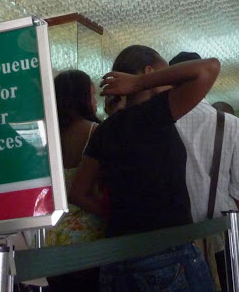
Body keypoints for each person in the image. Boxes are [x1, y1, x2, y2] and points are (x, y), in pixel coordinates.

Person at [70, 45, 220, 292]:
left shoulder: (106, 129)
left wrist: (120, 214)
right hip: (166, 254)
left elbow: (78, 192)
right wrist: (141, 82)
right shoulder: (155, 113)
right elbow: (209, 67)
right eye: (166, 72)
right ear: (149, 71)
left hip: (117, 256)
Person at [172, 52, 239, 292]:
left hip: (173, 240)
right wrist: (218, 218)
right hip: (227, 237)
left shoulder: (160, 122)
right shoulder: (230, 123)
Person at [45, 70, 105, 292]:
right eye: (92, 94)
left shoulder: (45, 136)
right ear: (82, 98)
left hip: (49, 235)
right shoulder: (95, 132)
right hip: (88, 236)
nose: (95, 102)